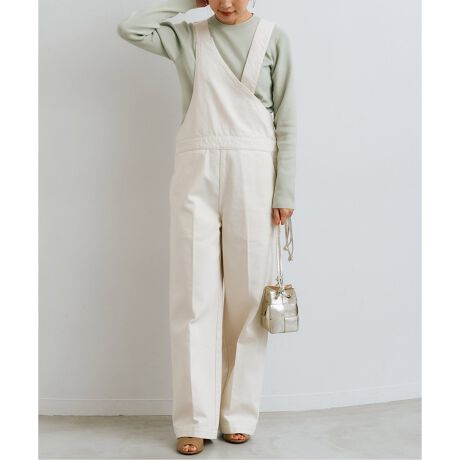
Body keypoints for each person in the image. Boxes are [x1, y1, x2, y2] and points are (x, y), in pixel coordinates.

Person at [118, 0, 296, 454]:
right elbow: (130, 29)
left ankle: (237, 413)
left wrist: (285, 191)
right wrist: (186, 3)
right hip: (195, 174)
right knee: (192, 297)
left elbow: (288, 122)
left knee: (247, 298)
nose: (226, 3)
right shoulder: (187, 36)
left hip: (255, 176)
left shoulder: (273, 38)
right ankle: (194, 419)